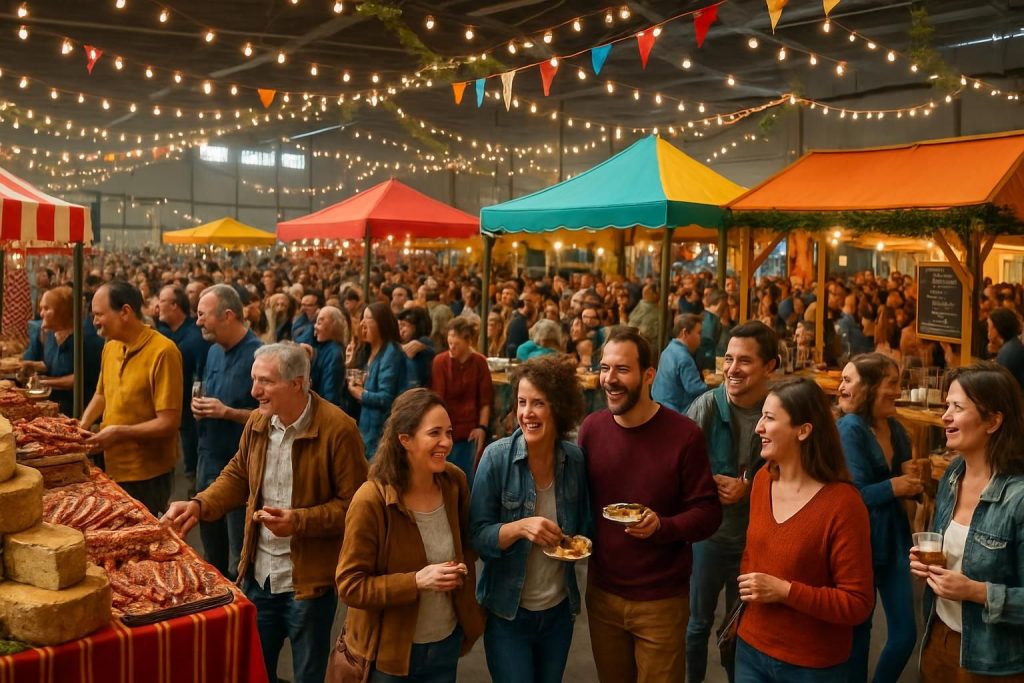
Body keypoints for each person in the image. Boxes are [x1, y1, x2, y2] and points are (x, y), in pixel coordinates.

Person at [163, 343, 368, 683]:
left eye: (265, 382)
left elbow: (355, 507)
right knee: (256, 671)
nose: (253, 390)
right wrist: (199, 504)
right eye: (254, 379)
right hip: (259, 576)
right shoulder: (259, 421)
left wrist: (298, 522)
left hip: (308, 587)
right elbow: (237, 475)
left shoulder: (338, 429)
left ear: (297, 384)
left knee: (307, 675)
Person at [579, 328, 721, 683]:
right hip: (602, 595)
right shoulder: (591, 429)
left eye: (622, 369)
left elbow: (708, 514)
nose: (610, 379)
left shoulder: (684, 435)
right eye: (604, 368)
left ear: (648, 375)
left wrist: (663, 527)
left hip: (661, 600)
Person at [335, 388, 485, 681]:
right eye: (435, 433)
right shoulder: (371, 500)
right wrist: (416, 580)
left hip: (445, 645)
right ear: (405, 439)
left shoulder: (454, 482)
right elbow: (350, 586)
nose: (446, 442)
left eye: (449, 433)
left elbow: (468, 544)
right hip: (390, 658)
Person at [736, 377, 874, 682]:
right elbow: (752, 556)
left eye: (769, 418)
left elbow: (858, 604)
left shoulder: (843, 505)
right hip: (750, 649)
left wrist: (785, 592)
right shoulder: (762, 481)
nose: (759, 427)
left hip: (811, 666)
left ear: (803, 430)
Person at [470, 357, 590, 683]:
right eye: (522, 403)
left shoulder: (575, 461)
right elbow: (477, 537)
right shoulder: (496, 459)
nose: (527, 413)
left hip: (558, 613)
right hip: (508, 614)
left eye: (538, 403)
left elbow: (584, 529)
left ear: (559, 408)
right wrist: (522, 527)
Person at [910, 362, 1024, 680]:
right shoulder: (952, 475)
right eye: (947, 405)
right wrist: (927, 565)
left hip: (993, 660)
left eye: (957, 407)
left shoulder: (1019, 497)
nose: (945, 416)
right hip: (939, 639)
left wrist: (975, 591)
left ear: (993, 421)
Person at [684, 321, 778, 683]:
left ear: (770, 366)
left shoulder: (777, 411)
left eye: (744, 361)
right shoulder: (706, 406)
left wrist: (748, 486)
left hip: (756, 540)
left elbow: (794, 471)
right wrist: (712, 484)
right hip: (710, 536)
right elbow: (678, 470)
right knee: (697, 625)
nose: (732, 369)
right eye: (728, 359)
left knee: (740, 626)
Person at [837, 353, 921, 683]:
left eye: (847, 379)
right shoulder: (849, 430)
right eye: (892, 383)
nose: (897, 391)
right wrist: (895, 485)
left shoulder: (897, 429)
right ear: (872, 388)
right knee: (858, 636)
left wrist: (912, 484)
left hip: (896, 539)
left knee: (904, 636)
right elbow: (851, 495)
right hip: (860, 544)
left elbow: (907, 486)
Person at [81, 281, 183, 516]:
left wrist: (119, 432)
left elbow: (168, 423)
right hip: (111, 465)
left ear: (125, 312)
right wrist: (82, 426)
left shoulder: (163, 351)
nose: (94, 322)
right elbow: (101, 394)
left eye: (99, 315)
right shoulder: (110, 347)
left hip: (147, 475)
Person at [191, 284, 262, 578]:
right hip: (207, 461)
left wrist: (228, 413)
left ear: (228, 315)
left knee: (238, 558)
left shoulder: (259, 356)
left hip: (240, 471)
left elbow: (272, 417)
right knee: (210, 552)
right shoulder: (212, 353)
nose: (197, 322)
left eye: (202, 315)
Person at [156, 284, 211, 484]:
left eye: (161, 301)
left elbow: (202, 379)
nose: (157, 306)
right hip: (184, 416)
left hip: (193, 418)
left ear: (174, 306)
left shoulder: (194, 339)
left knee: (194, 471)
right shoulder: (174, 333)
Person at [21, 286, 103, 417]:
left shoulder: (87, 341)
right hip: (53, 407)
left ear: (63, 312)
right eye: (41, 308)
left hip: (77, 412)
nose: (41, 313)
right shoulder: (52, 336)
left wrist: (43, 381)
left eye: (47, 309)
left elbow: (78, 379)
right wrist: (31, 365)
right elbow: (53, 364)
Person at [432, 317, 493, 488]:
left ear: (468, 341)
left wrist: (482, 428)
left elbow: (485, 401)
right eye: (449, 343)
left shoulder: (479, 363)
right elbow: (437, 400)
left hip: (469, 431)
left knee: (468, 481)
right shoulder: (440, 362)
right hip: (447, 428)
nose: (451, 348)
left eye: (455, 344)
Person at [348, 302, 409, 459]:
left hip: (381, 436)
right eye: (363, 318)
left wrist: (361, 394)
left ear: (381, 323)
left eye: (368, 318)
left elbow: (387, 398)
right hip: (367, 433)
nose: (362, 323)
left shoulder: (391, 353)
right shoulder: (368, 350)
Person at [652, 313, 708, 415]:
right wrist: (715, 389)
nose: (700, 338)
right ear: (685, 333)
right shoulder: (684, 358)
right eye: (699, 333)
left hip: (658, 406)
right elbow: (695, 389)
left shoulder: (667, 350)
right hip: (676, 412)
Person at [310, 306, 348, 408]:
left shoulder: (334, 352)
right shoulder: (323, 347)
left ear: (334, 326)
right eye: (316, 322)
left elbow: (330, 393)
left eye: (320, 322)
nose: (315, 326)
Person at [986, 307, 1024, 390]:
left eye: (989, 327)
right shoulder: (1013, 345)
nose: (988, 332)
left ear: (997, 328)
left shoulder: (1008, 352)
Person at [398, 307, 436, 389]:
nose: (400, 329)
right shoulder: (402, 342)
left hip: (417, 391)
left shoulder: (423, 341)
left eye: (404, 325)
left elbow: (405, 351)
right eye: (399, 325)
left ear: (417, 327)